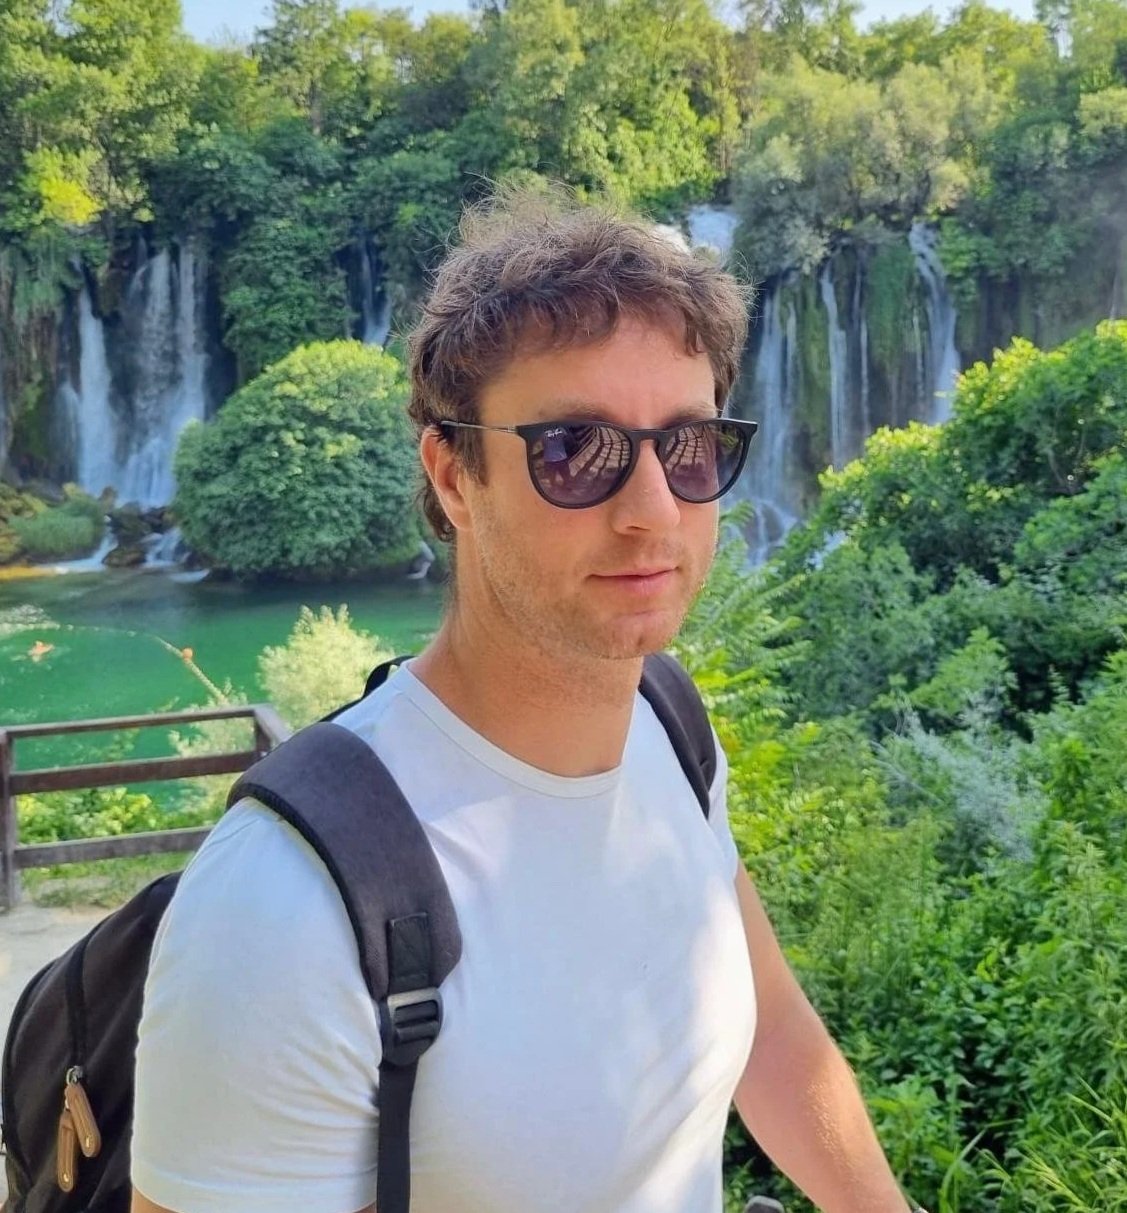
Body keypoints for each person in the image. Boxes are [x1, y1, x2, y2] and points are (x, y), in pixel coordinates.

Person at [130, 191, 924, 1213]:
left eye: (688, 448)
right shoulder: (286, 903)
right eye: (571, 451)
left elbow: (768, 1031)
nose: (652, 513)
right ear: (454, 478)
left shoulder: (669, 731)